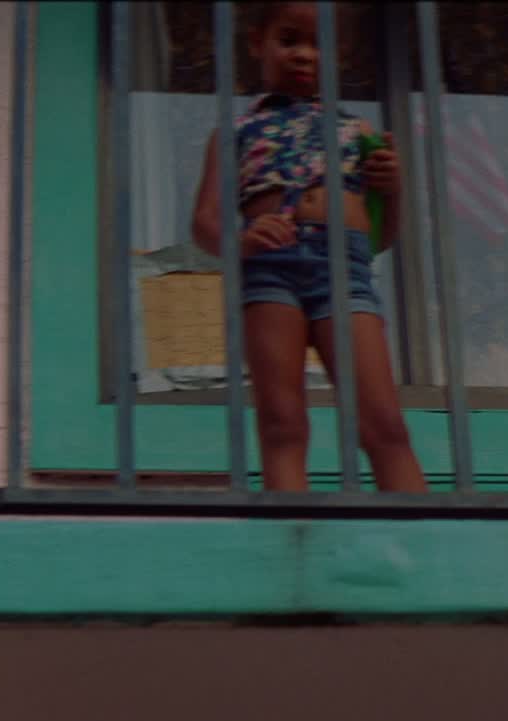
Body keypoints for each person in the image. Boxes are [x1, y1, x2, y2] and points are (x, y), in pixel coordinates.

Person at [190, 1, 426, 492]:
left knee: (383, 422)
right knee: (282, 421)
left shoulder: (358, 132)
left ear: (340, 56)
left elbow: (380, 237)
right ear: (258, 42)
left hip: (344, 268)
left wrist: (393, 190)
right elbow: (205, 223)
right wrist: (241, 241)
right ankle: (290, 531)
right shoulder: (234, 132)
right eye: (289, 40)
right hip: (270, 269)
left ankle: (423, 531)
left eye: (320, 46)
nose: (303, 54)